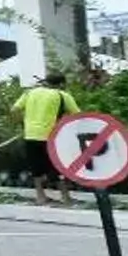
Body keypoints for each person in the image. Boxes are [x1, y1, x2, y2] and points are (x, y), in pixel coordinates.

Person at [13, 71, 80, 206]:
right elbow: (77, 115)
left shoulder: (30, 93)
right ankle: (65, 197)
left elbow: (14, 109)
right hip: (52, 137)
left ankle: (40, 197)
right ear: (61, 84)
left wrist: (24, 124)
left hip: (30, 135)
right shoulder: (62, 95)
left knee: (36, 168)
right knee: (59, 167)